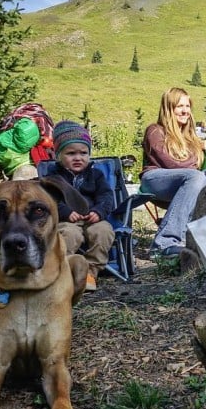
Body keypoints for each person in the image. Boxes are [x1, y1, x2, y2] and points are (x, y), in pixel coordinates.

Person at [141, 87, 206, 257]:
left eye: (188, 106)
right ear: (169, 109)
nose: (185, 111)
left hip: (188, 181)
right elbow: (169, 163)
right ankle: (164, 242)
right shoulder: (155, 131)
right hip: (156, 180)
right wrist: (196, 156)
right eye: (179, 106)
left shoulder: (190, 136)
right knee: (195, 176)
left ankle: (199, 236)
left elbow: (205, 168)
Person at [50, 120, 115, 292]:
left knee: (103, 232)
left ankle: (90, 272)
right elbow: (49, 200)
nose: (78, 158)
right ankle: (66, 271)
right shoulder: (54, 177)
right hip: (67, 221)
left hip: (93, 219)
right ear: (58, 155)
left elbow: (107, 196)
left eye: (83, 153)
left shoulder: (96, 175)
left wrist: (99, 211)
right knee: (69, 236)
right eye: (71, 153)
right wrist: (65, 212)